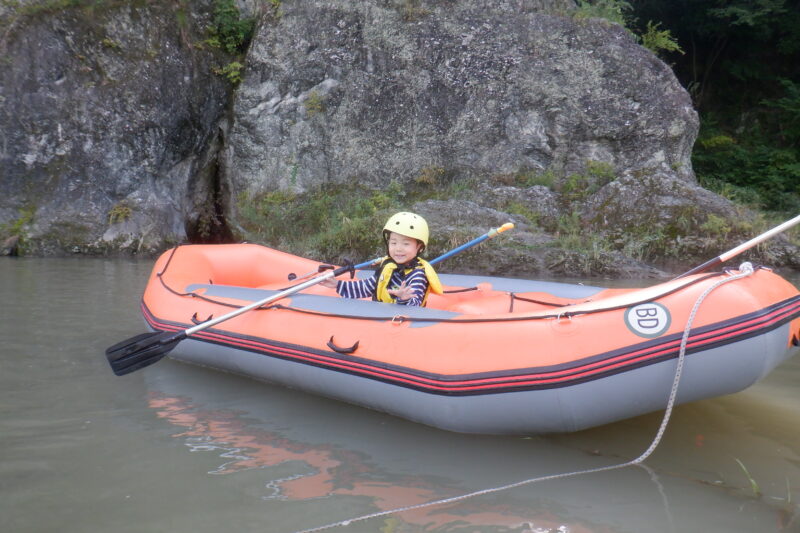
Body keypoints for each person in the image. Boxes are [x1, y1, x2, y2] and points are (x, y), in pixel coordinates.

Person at [321, 212, 443, 306]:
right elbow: (367, 287)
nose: (398, 249)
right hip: (381, 320)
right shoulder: (389, 267)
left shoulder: (417, 275)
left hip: (401, 326)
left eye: (406, 244)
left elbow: (414, 305)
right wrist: (337, 285)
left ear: (419, 247)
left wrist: (403, 298)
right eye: (393, 243)